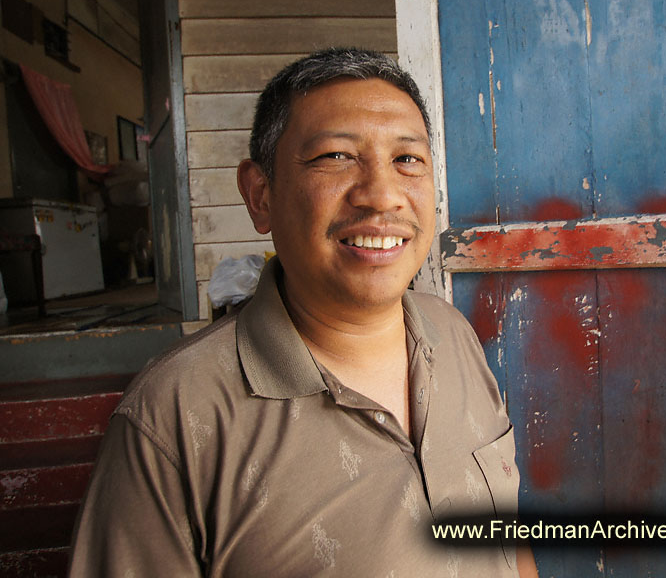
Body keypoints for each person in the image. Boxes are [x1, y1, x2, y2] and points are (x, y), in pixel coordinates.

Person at [69, 48, 538, 577]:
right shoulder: (176, 416)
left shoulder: (452, 335)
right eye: (335, 157)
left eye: (407, 160)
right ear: (260, 194)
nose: (383, 196)